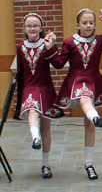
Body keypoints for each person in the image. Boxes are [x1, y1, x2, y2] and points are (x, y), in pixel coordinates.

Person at [43, 8, 102, 179]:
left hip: (93, 80)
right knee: (83, 96)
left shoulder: (100, 40)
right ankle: (95, 115)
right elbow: (58, 63)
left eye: (91, 23)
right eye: (84, 23)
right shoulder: (70, 41)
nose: (88, 26)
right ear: (77, 25)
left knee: (89, 125)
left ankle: (89, 164)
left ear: (95, 24)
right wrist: (50, 48)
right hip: (76, 81)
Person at [15, 13, 64, 178]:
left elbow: (57, 64)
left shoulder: (47, 43)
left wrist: (51, 47)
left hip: (46, 88)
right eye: (29, 26)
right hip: (29, 87)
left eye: (35, 26)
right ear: (24, 28)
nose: (32, 28)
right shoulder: (20, 47)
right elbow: (21, 72)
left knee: (46, 128)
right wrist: (19, 96)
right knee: (32, 110)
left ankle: (46, 164)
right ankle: (35, 139)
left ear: (41, 28)